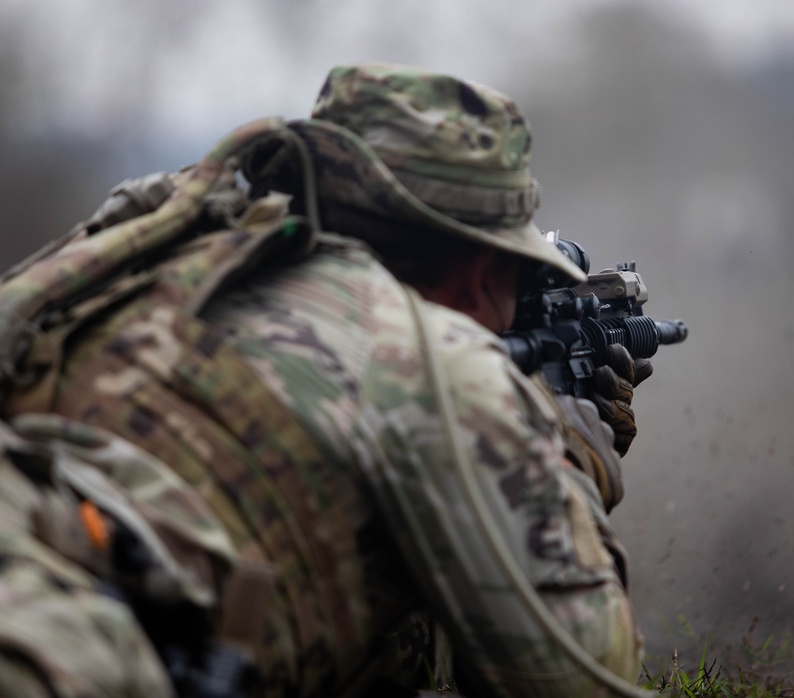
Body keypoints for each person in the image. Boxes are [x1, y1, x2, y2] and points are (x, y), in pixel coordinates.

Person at [0, 63, 650, 697]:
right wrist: (566, 463)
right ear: (482, 270)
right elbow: (584, 675)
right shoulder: (426, 363)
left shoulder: (163, 259)